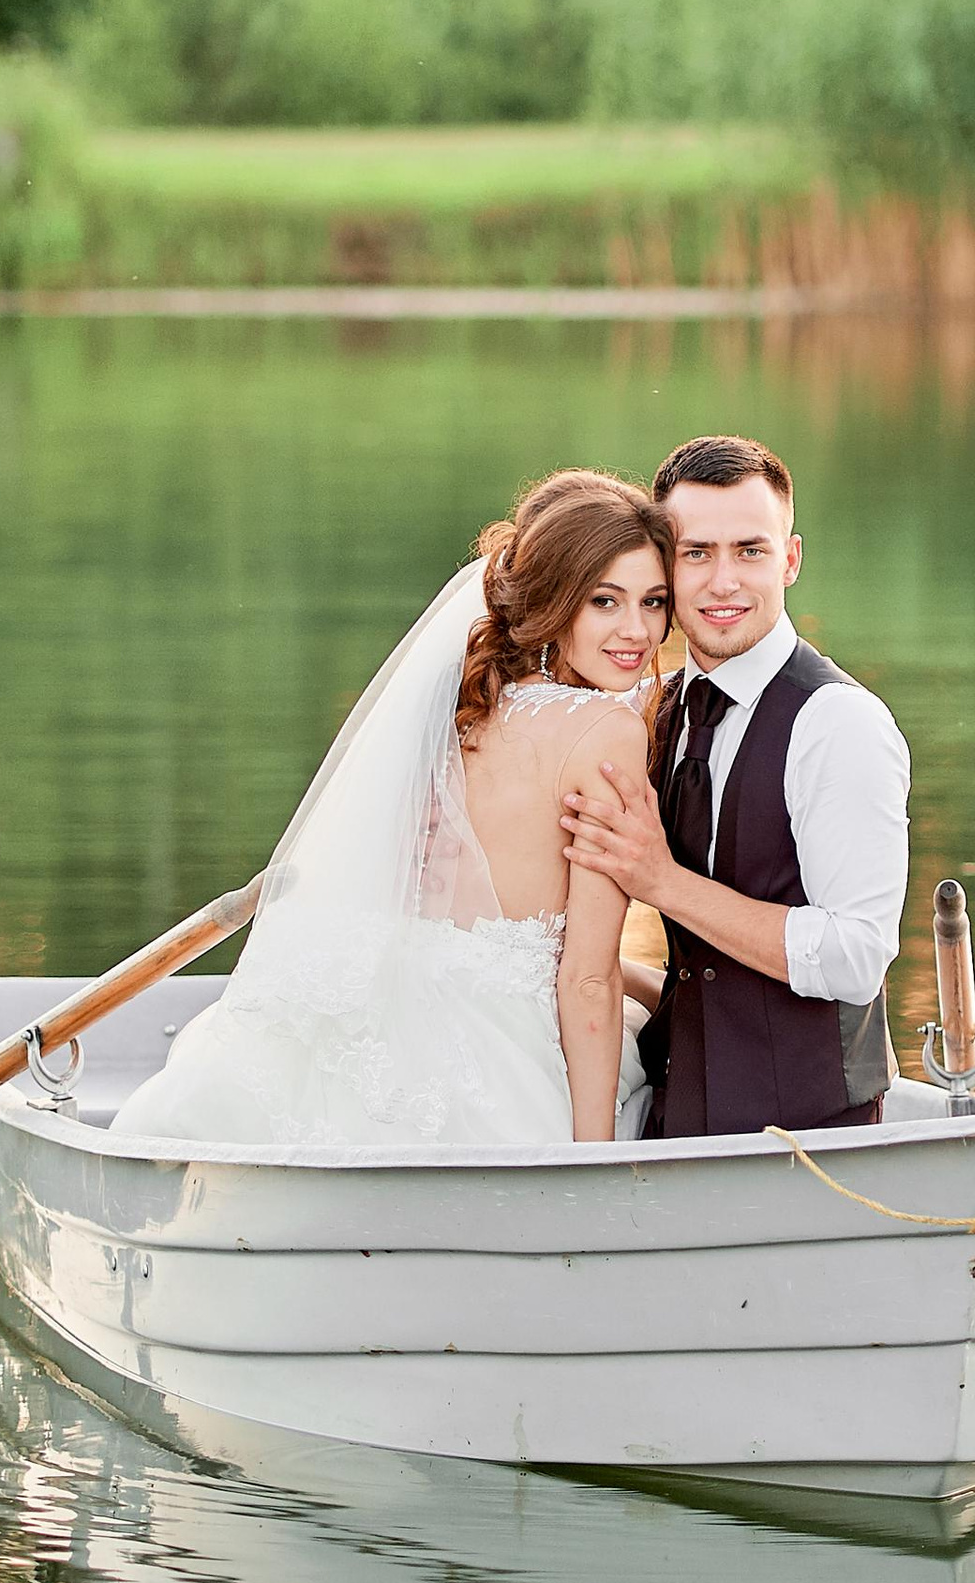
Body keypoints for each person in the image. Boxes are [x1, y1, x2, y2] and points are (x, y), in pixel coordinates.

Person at [109, 472, 673, 1155]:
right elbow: (585, 978)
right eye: (605, 601)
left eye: (654, 602)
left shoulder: (471, 700)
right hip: (500, 1043)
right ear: (555, 601)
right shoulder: (608, 729)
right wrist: (595, 1161)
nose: (636, 631)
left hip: (386, 1001)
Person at [561, 432, 909, 1139]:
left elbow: (854, 958)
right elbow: (705, 973)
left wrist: (662, 883)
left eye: (750, 551)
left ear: (791, 559)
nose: (724, 582)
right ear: (666, 567)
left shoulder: (837, 724)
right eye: (697, 554)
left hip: (808, 1139)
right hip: (676, 1113)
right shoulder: (657, 710)